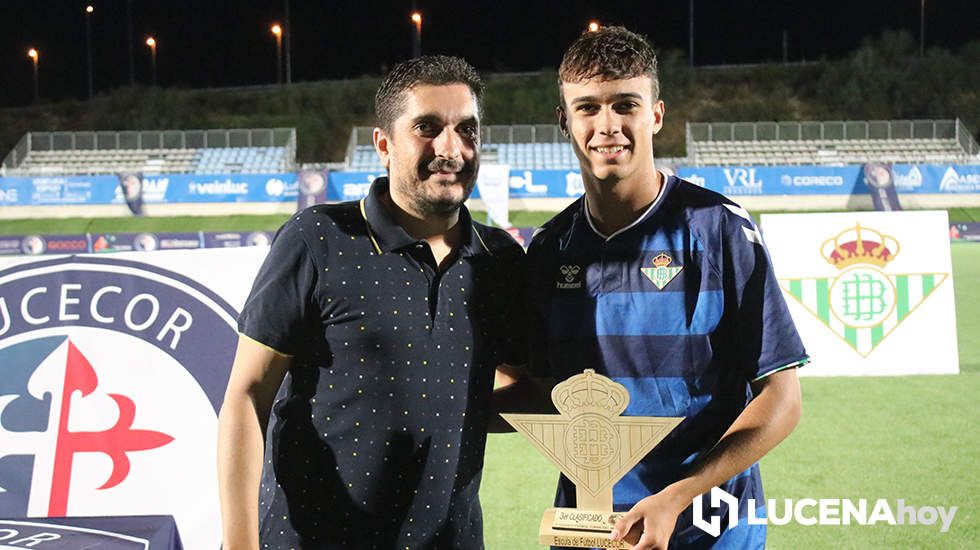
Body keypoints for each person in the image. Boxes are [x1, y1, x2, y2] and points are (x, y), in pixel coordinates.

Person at [217, 55, 525, 549]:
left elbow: (520, 387)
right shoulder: (316, 239)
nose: (451, 147)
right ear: (384, 144)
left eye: (467, 130)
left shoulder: (500, 258)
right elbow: (248, 396)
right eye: (427, 127)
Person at [522, 27, 809, 549]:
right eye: (587, 108)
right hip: (592, 531)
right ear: (564, 122)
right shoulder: (547, 251)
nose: (607, 126)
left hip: (710, 530)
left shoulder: (719, 228)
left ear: (655, 114)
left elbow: (782, 399)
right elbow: (539, 393)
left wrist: (681, 494)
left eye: (625, 104)